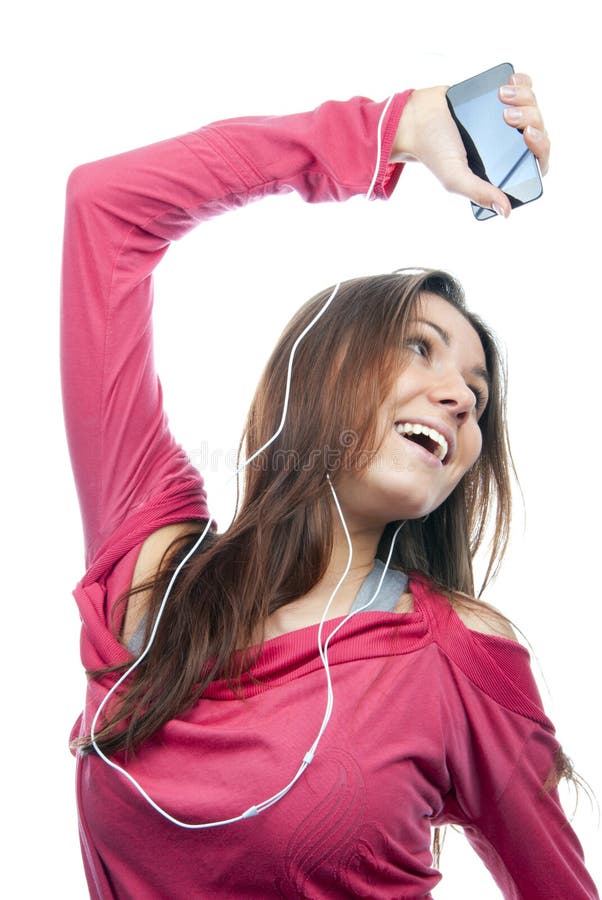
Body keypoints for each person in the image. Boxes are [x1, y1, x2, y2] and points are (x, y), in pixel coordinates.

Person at [61, 74, 598, 899]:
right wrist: (394, 129)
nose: (459, 396)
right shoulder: (156, 572)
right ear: (322, 369)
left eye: (477, 395)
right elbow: (107, 208)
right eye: (420, 347)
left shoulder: (457, 655)